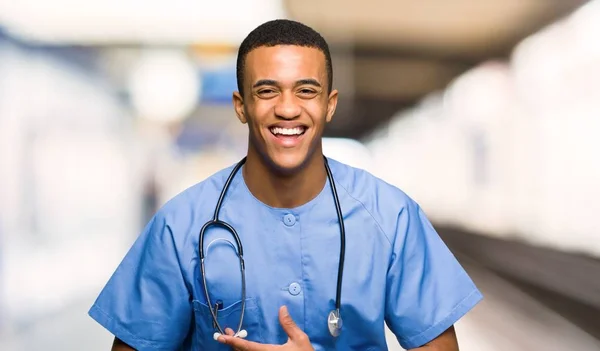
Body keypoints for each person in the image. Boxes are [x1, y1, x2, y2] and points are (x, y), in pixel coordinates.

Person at [89, 19, 483, 351]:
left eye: (306, 90)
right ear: (241, 105)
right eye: (267, 91)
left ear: (329, 104)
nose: (288, 108)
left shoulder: (392, 218)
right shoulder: (180, 225)